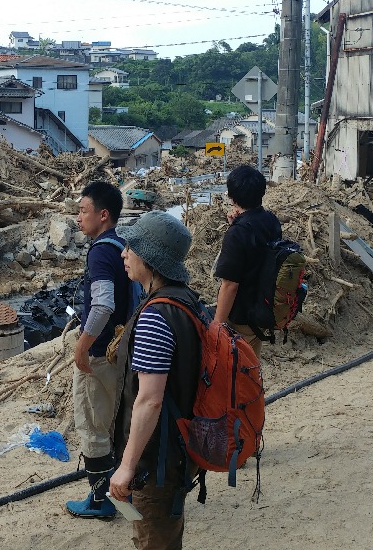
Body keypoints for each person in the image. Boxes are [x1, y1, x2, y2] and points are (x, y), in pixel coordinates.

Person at [108, 211, 202, 550]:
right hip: (178, 447)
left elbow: (150, 399)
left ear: (150, 258)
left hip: (158, 459)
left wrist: (127, 466)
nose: (123, 254)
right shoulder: (186, 299)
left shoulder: (155, 318)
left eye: (130, 247)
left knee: (154, 540)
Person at [64, 181, 136, 519]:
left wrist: (82, 346)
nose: (78, 218)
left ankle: (100, 501)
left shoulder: (100, 251)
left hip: (100, 354)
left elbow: (103, 303)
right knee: (114, 422)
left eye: (83, 211)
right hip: (120, 350)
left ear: (103, 215)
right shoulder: (122, 245)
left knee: (92, 425)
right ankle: (122, 491)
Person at [212, 164, 282, 358]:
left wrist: (217, 326)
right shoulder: (271, 220)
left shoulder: (238, 233)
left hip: (242, 318)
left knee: (238, 377)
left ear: (232, 197)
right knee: (251, 369)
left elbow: (230, 285)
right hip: (262, 307)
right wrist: (236, 223)